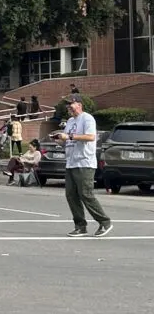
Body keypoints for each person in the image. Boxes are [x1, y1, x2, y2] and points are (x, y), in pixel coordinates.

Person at [54, 94, 112, 237]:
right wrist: (60, 140)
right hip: (71, 162)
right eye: (67, 105)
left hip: (84, 162)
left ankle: (105, 222)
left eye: (71, 104)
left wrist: (70, 137)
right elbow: (67, 140)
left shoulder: (87, 118)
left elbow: (90, 137)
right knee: (71, 195)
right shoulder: (70, 121)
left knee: (86, 194)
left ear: (79, 104)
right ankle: (80, 226)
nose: (68, 107)